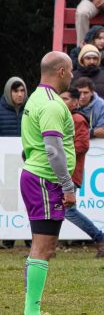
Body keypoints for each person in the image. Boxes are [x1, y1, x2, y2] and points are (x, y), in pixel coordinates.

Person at [19, 51, 76, 315]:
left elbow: (32, 142)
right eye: (71, 70)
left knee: (42, 247)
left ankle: (32, 309)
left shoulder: (36, 97)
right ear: (62, 71)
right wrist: (67, 185)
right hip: (46, 180)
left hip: (37, 177)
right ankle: (31, 311)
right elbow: (53, 150)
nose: (73, 76)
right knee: (44, 247)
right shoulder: (53, 104)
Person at [59, 88, 104, 258]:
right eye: (60, 98)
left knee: (67, 211)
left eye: (66, 98)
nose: (61, 101)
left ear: (75, 102)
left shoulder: (77, 119)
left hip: (70, 172)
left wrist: (57, 153)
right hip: (63, 171)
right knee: (56, 210)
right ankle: (47, 246)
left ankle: (101, 238)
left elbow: (83, 145)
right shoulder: (65, 118)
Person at [0, 77, 28, 249]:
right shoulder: (0, 109)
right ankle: (8, 238)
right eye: (15, 91)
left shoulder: (31, 109)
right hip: (5, 162)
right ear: (8, 92)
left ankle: (29, 237)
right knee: (9, 197)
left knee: (28, 196)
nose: (19, 94)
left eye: (22, 91)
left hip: (27, 160)